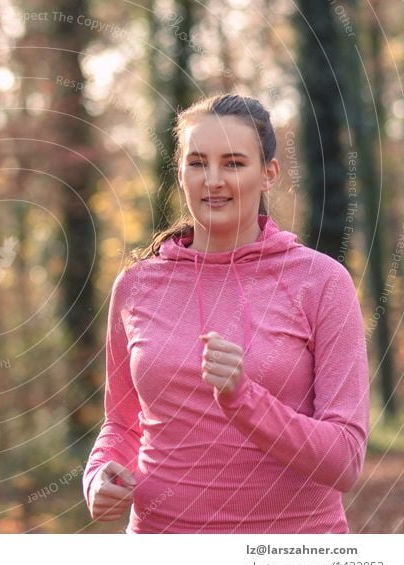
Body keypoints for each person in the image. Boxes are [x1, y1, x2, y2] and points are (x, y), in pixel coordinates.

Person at [83, 94, 369, 533]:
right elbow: (122, 423)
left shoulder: (321, 282)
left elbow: (345, 461)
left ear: (268, 174)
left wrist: (244, 399)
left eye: (234, 163)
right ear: (180, 173)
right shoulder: (136, 286)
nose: (213, 180)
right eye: (197, 163)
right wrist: (99, 476)